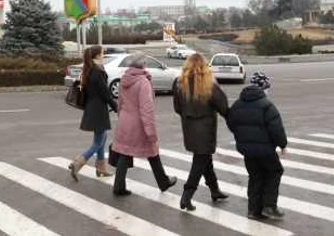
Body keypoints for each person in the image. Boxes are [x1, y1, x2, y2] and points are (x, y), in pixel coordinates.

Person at [111, 52, 177, 196]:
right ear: (143, 65)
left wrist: (121, 117)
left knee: (124, 152)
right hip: (139, 124)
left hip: (125, 121)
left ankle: (118, 185)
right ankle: (163, 182)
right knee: (152, 152)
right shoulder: (143, 82)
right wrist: (151, 131)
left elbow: (120, 103)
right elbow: (146, 109)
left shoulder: (124, 79)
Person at [226, 72, 287, 220]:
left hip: (247, 150)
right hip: (266, 150)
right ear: (263, 87)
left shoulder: (238, 103)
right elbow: (276, 128)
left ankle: (253, 210)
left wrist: (242, 136)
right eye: (268, 88)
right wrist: (283, 145)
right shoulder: (267, 105)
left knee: (255, 177)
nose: (268, 91)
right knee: (275, 171)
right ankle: (269, 206)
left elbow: (231, 122)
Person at [173, 53, 229, 211]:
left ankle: (215, 190)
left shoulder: (179, 83)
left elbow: (177, 108)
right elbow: (223, 107)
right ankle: (186, 195)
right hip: (206, 129)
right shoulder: (209, 84)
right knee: (200, 162)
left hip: (189, 129)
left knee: (205, 160)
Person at [69, 45, 118, 181]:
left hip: (93, 108)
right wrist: (116, 106)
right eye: (102, 53)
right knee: (98, 141)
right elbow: (105, 93)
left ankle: (101, 169)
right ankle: (77, 163)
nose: (103, 54)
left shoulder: (90, 70)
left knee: (102, 138)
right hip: (98, 110)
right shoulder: (97, 71)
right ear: (97, 55)